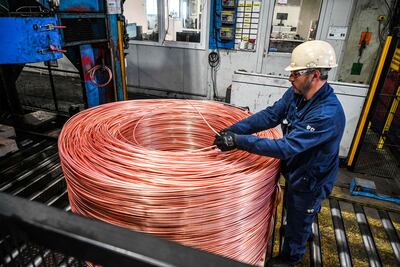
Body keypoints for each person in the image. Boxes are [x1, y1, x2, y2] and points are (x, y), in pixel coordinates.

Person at [214, 40, 345, 267]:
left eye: (295, 74)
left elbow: (285, 147)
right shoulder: (297, 93)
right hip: (296, 169)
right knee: (296, 213)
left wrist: (238, 142)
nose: (290, 78)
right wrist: (234, 130)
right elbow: (270, 116)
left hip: (311, 179)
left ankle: (291, 256)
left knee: (299, 213)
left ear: (314, 75)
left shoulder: (327, 114)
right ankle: (300, 227)